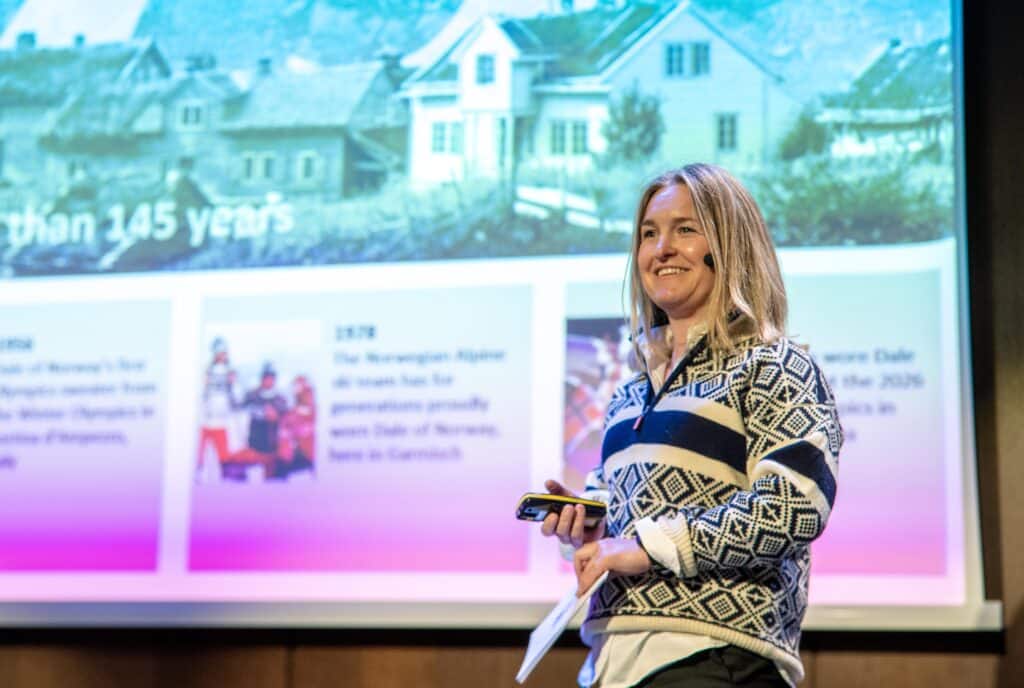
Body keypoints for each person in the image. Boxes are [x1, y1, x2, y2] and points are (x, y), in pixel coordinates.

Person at [542, 163, 842, 687]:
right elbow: (633, 521)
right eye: (648, 234)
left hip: (716, 660)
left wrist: (648, 547)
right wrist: (593, 524)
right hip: (611, 662)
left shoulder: (773, 364)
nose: (661, 249)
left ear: (729, 246)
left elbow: (793, 507)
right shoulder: (629, 393)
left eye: (685, 229)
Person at [196, 337, 238, 483]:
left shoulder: (230, 372)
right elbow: (200, 393)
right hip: (205, 419)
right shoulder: (206, 370)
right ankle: (199, 475)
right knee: (200, 452)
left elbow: (236, 397)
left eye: (223, 352)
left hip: (222, 421)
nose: (221, 355)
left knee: (223, 454)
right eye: (219, 352)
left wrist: (232, 383)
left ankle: (225, 477)